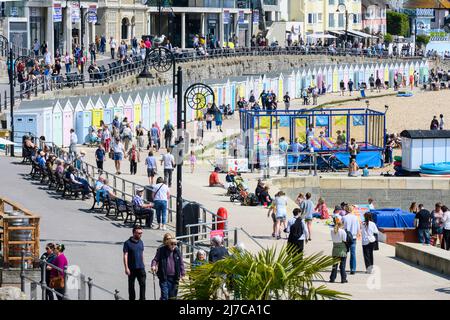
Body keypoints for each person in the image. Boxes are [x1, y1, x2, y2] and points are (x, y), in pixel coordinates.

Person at [151, 233, 185, 300]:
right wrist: (153, 266)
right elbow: (155, 259)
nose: (173, 245)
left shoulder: (177, 251)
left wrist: (183, 273)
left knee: (172, 297)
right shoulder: (161, 250)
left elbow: (181, 262)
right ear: (168, 243)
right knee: (165, 296)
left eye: (175, 244)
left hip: (175, 277)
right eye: (171, 244)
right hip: (164, 277)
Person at [123, 226, 146, 300]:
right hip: (132, 268)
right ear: (134, 233)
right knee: (131, 286)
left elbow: (142, 253)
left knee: (142, 285)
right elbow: (125, 255)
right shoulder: (127, 243)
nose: (140, 235)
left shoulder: (141, 242)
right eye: (139, 233)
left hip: (141, 268)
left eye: (141, 233)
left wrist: (143, 263)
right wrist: (126, 268)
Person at [343, 206, 360, 275]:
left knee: (344, 253)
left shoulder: (344, 217)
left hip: (346, 237)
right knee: (353, 254)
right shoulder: (355, 217)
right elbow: (358, 228)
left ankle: (343, 267)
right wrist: (358, 234)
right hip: (353, 237)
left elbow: (342, 227)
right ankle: (353, 269)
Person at [329, 217, 348, 283]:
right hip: (342, 249)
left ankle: (332, 278)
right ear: (341, 224)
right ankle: (343, 278)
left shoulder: (332, 231)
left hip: (335, 248)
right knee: (342, 265)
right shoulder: (343, 231)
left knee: (334, 265)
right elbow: (345, 240)